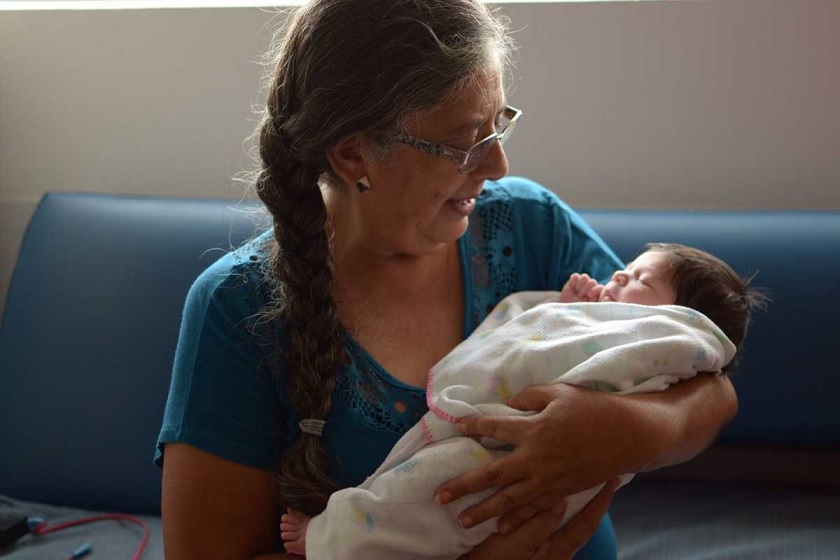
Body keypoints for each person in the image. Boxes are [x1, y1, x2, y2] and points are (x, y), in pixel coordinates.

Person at [155, 1, 740, 559]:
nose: (498, 166)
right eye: (465, 142)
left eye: (498, 126)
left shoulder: (529, 227)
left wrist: (626, 430)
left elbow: (710, 378)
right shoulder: (239, 308)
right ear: (353, 154)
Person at [278, 243, 767, 559]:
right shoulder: (611, 314)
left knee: (417, 498)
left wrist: (628, 427)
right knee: (412, 491)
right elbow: (549, 337)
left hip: (507, 459)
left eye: (640, 280)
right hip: (493, 445)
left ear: (680, 316)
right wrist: (565, 308)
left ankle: (332, 536)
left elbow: (714, 388)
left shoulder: (666, 340)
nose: (618, 276)